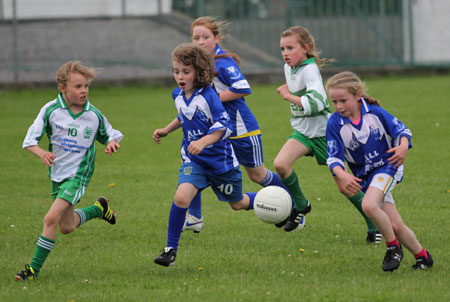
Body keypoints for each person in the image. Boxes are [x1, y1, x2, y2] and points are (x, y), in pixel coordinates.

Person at [15, 61, 123, 281]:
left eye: (86, 86)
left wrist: (111, 142)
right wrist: (41, 153)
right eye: (78, 86)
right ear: (62, 88)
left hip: (78, 176)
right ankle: (98, 209)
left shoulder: (93, 115)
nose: (83, 91)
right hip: (57, 175)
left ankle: (32, 270)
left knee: (50, 219)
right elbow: (29, 141)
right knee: (67, 226)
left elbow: (110, 133)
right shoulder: (50, 110)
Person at [153, 43, 257, 267]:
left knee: (238, 203)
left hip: (221, 163)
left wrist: (204, 141)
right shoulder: (177, 94)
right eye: (176, 71)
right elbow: (184, 115)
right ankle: (170, 249)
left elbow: (223, 125)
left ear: (199, 73)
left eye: (185, 71)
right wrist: (167, 129)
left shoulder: (210, 96)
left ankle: (274, 200)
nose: (179, 76)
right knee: (181, 197)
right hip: (195, 161)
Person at [182, 16, 288, 233]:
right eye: (196, 38)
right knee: (195, 161)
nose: (200, 42)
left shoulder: (222, 62)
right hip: (217, 130)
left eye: (205, 37)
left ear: (217, 38)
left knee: (257, 175)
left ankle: (294, 207)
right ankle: (194, 216)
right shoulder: (199, 64)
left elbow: (242, 88)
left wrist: (210, 100)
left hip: (240, 129)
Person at [273, 26, 380, 238]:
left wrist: (288, 96)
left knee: (344, 185)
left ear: (305, 48)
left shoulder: (311, 70)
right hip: (303, 132)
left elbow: (317, 102)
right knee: (281, 164)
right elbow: (297, 85)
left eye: (290, 48)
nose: (285, 53)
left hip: (324, 134)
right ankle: (302, 206)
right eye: (282, 48)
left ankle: (374, 226)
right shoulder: (290, 67)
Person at [325, 71, 433, 271]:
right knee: (395, 226)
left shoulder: (375, 113)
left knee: (368, 205)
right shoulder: (334, 123)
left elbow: (402, 131)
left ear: (357, 95)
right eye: (334, 101)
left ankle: (393, 248)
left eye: (343, 100)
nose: (339, 106)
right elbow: (333, 157)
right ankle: (423, 257)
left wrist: (402, 147)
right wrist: (342, 174)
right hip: (367, 177)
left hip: (389, 166)